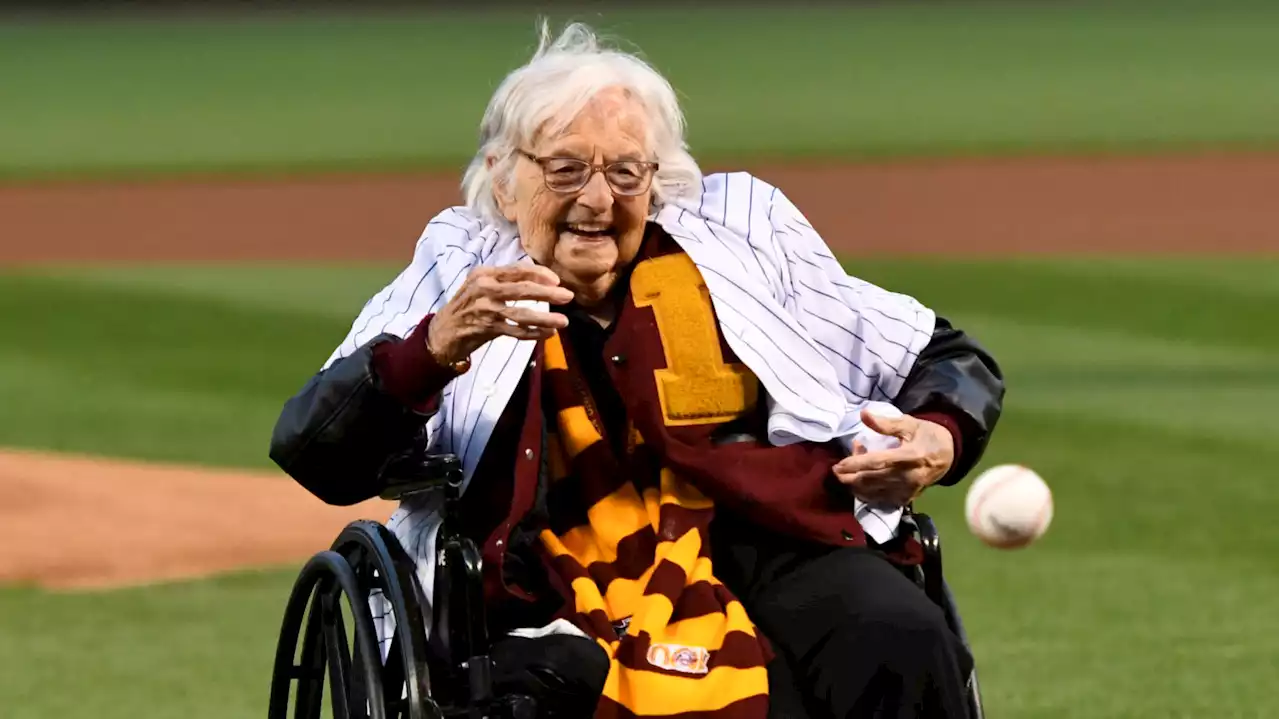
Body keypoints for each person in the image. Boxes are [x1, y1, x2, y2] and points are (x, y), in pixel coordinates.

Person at [270, 21, 1003, 719]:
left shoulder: (736, 236)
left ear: (655, 181)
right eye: (564, 169)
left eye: (624, 171)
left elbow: (942, 356)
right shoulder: (459, 267)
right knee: (552, 685)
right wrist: (431, 348)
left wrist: (938, 435)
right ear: (502, 180)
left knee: (896, 638)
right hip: (539, 573)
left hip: (767, 533)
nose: (597, 199)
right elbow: (315, 450)